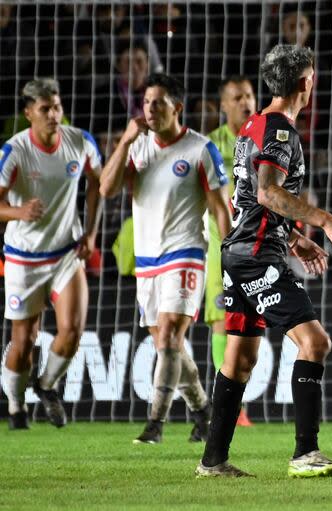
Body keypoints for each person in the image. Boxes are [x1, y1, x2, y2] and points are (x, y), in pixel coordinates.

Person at [196, 44, 332, 478]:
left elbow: (253, 200)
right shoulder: (279, 130)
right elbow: (268, 192)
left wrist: (291, 238)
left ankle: (213, 461)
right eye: (313, 74)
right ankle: (305, 453)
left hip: (242, 250)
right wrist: (325, 221)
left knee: (238, 361)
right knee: (315, 342)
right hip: (254, 256)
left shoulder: (254, 124)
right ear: (306, 81)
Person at [100, 73, 232, 444]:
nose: (150, 109)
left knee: (172, 334)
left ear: (177, 107)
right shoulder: (137, 147)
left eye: (158, 102)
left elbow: (221, 208)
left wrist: (230, 253)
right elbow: (106, 188)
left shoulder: (200, 148)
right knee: (167, 345)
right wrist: (126, 140)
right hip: (147, 261)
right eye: (145, 103)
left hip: (186, 252)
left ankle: (155, 424)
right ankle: (203, 411)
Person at [0, 78, 102, 429]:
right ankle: (16, 406)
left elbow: (97, 187)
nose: (53, 115)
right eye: (45, 109)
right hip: (23, 258)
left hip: (65, 253)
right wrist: (18, 212)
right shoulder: (14, 151)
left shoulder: (80, 141)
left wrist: (90, 232)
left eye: (57, 107)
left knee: (72, 330)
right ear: (29, 113)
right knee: (23, 341)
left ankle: (46, 386)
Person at [206, 75, 256, 426]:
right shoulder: (210, 146)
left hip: (259, 244)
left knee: (251, 324)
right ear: (223, 106)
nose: (245, 102)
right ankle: (232, 410)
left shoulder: (264, 138)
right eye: (237, 97)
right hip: (218, 248)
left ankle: (237, 405)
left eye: (249, 95)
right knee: (224, 323)